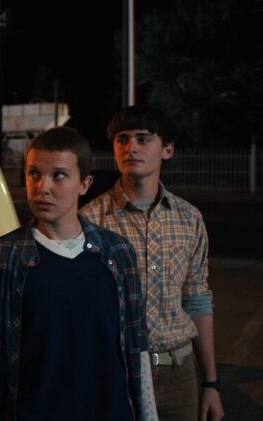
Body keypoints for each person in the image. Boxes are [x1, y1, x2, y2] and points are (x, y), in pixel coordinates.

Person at [0, 127, 157, 421]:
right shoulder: (4, 257)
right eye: (34, 173)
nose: (43, 187)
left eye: (59, 175)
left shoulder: (118, 253)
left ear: (84, 184)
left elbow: (137, 345)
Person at [80, 105, 224, 421]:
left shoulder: (189, 218)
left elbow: (197, 300)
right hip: (116, 371)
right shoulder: (89, 220)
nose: (131, 147)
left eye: (143, 139)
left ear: (167, 149)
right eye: (122, 139)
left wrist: (211, 383)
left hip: (179, 374)